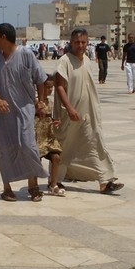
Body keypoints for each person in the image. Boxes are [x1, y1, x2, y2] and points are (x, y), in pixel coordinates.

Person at [0, 22, 48, 202]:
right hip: (1, 114)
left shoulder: (26, 54)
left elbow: (40, 79)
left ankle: (33, 185)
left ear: (4, 37)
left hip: (24, 110)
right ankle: (7, 188)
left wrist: (40, 102)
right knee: (5, 149)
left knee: (28, 145)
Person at [54, 28, 124, 194]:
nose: (80, 45)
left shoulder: (86, 59)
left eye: (83, 42)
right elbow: (59, 87)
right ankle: (56, 180)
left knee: (94, 143)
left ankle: (104, 181)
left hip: (88, 113)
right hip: (69, 115)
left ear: (87, 43)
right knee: (65, 146)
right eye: (77, 42)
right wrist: (69, 108)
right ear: (71, 42)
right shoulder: (64, 61)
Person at [35, 74, 65, 196]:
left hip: (48, 136)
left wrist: (55, 121)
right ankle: (34, 185)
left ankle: (53, 184)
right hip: (37, 136)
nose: (49, 90)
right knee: (37, 160)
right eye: (47, 87)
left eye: (51, 88)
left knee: (56, 158)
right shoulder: (35, 102)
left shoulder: (50, 103)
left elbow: (50, 117)